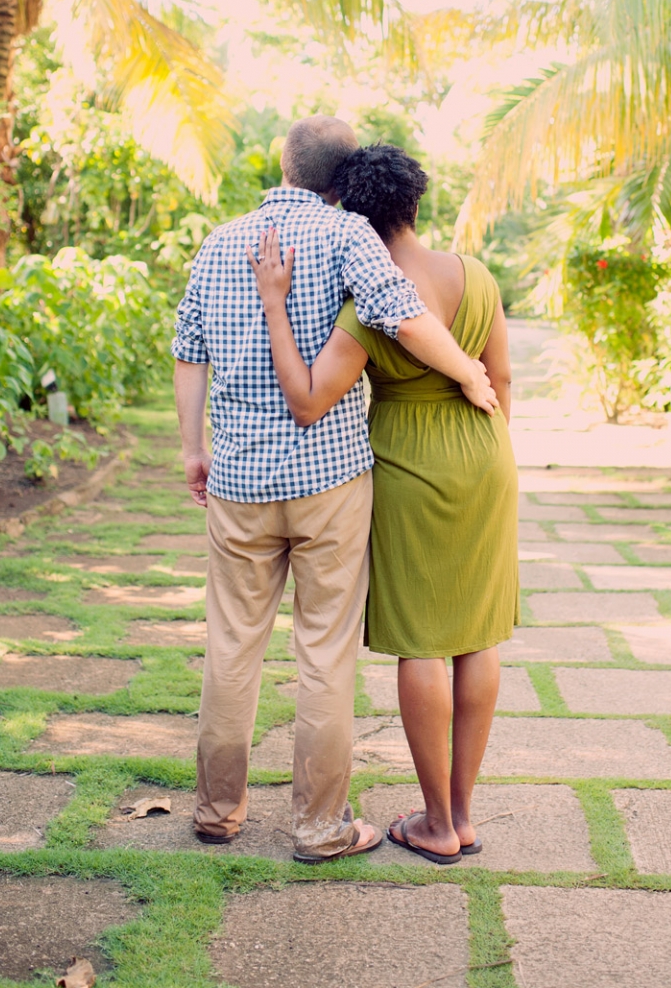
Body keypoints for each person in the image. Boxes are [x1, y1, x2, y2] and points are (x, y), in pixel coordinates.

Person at [172, 117, 498, 862]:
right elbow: (405, 315)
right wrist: (468, 372)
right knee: (324, 655)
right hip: (330, 480)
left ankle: (217, 813)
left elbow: (189, 349)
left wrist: (193, 449)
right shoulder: (349, 234)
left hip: (240, 481)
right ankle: (321, 827)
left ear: (283, 164)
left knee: (231, 646)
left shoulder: (220, 241)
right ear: (343, 178)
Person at [248, 142, 518, 865]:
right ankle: (462, 817)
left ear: (351, 213)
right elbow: (500, 378)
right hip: (486, 454)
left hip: (407, 462)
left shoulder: (368, 302)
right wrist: (493, 455)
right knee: (478, 636)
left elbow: (310, 399)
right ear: (415, 202)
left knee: (421, 640)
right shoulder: (478, 276)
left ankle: (436, 823)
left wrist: (275, 306)